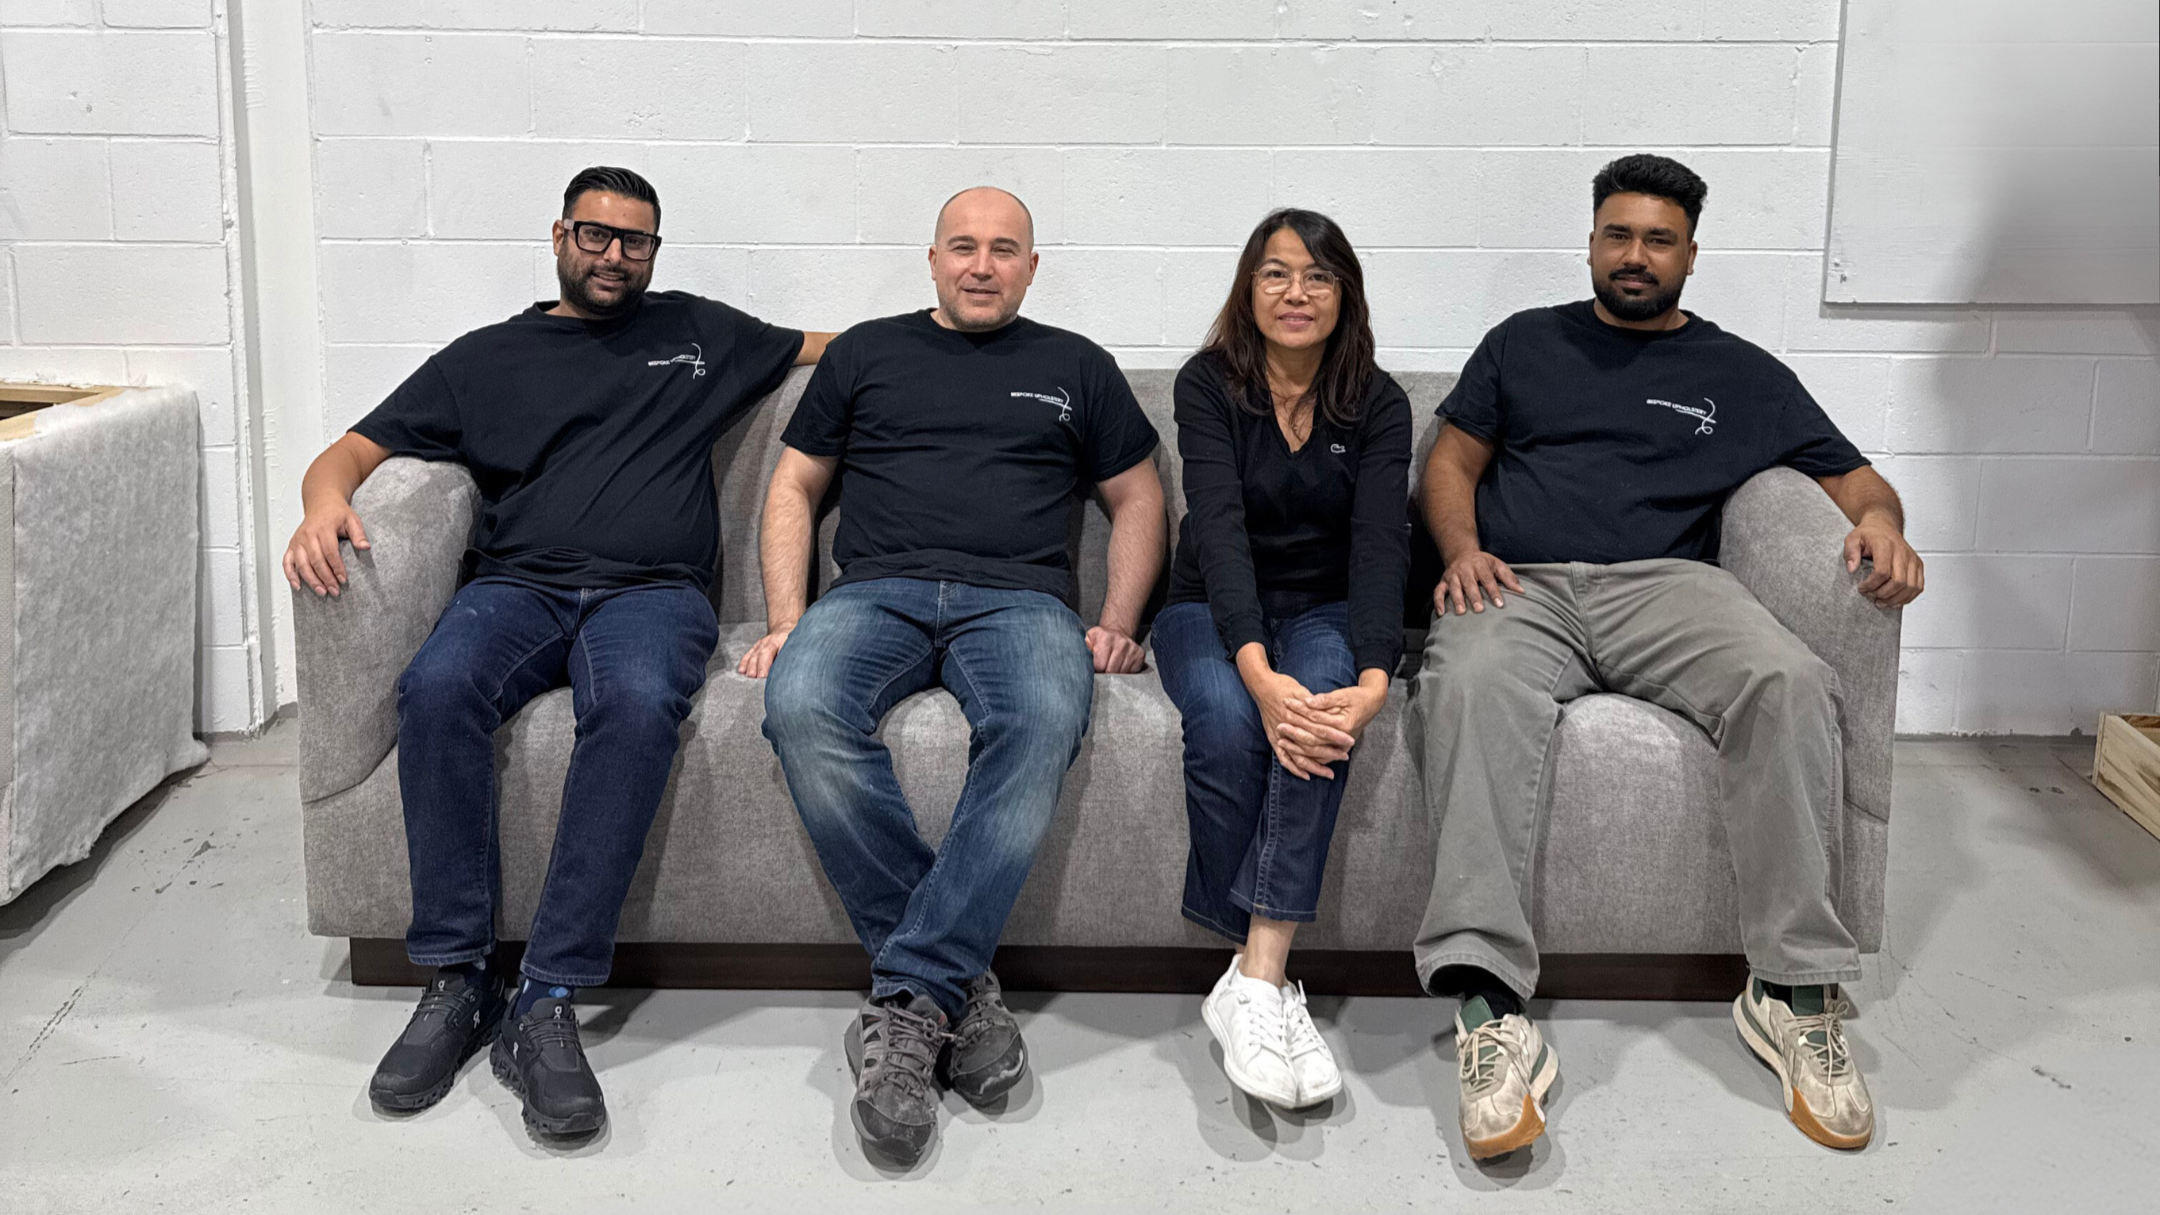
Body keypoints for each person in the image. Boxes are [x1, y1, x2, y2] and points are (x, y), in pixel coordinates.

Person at [283, 166, 832, 1139]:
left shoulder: (699, 333)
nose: (614, 255)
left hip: (654, 594)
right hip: (517, 587)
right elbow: (352, 453)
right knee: (436, 689)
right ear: (559, 236)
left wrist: (946, 336)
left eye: (635, 241)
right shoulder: (488, 357)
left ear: (654, 250)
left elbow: (831, 347)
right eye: (595, 234)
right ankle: (458, 979)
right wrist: (323, 505)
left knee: (636, 706)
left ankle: (546, 997)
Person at [1412, 154, 1925, 1160]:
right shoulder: (1523, 343)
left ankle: (1792, 990)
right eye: (1619, 235)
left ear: (1690, 255)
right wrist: (1463, 550)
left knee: (1789, 680)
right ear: (1591, 244)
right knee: (1466, 685)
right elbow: (1453, 460)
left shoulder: (1742, 374)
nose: (1635, 256)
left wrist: (1882, 524)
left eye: (1658, 240)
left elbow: (1859, 480)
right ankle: (1488, 1007)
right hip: (1521, 583)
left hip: (1669, 585)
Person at [747, 186, 1165, 1164]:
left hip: (1020, 600)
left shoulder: (1077, 365)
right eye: (964, 247)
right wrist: (785, 620)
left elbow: (1140, 495)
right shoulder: (865, 353)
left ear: (1032, 266)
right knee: (799, 703)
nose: (983, 265)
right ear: (933, 259)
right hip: (874, 591)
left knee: (1044, 717)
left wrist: (1116, 621)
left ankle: (908, 1001)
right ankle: (952, 991)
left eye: (1004, 249)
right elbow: (795, 482)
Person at [1154, 209, 1411, 1111]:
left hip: (1328, 608)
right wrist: (1259, 675)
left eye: (1317, 276)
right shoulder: (1207, 383)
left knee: (1320, 719)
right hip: (1207, 605)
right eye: (1275, 273)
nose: (1296, 293)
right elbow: (1219, 533)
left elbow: (1381, 548)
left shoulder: (1379, 402)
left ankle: (1256, 977)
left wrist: (1373, 682)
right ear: (1248, 288)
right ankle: (1255, 983)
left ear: (1345, 293)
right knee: (1231, 723)